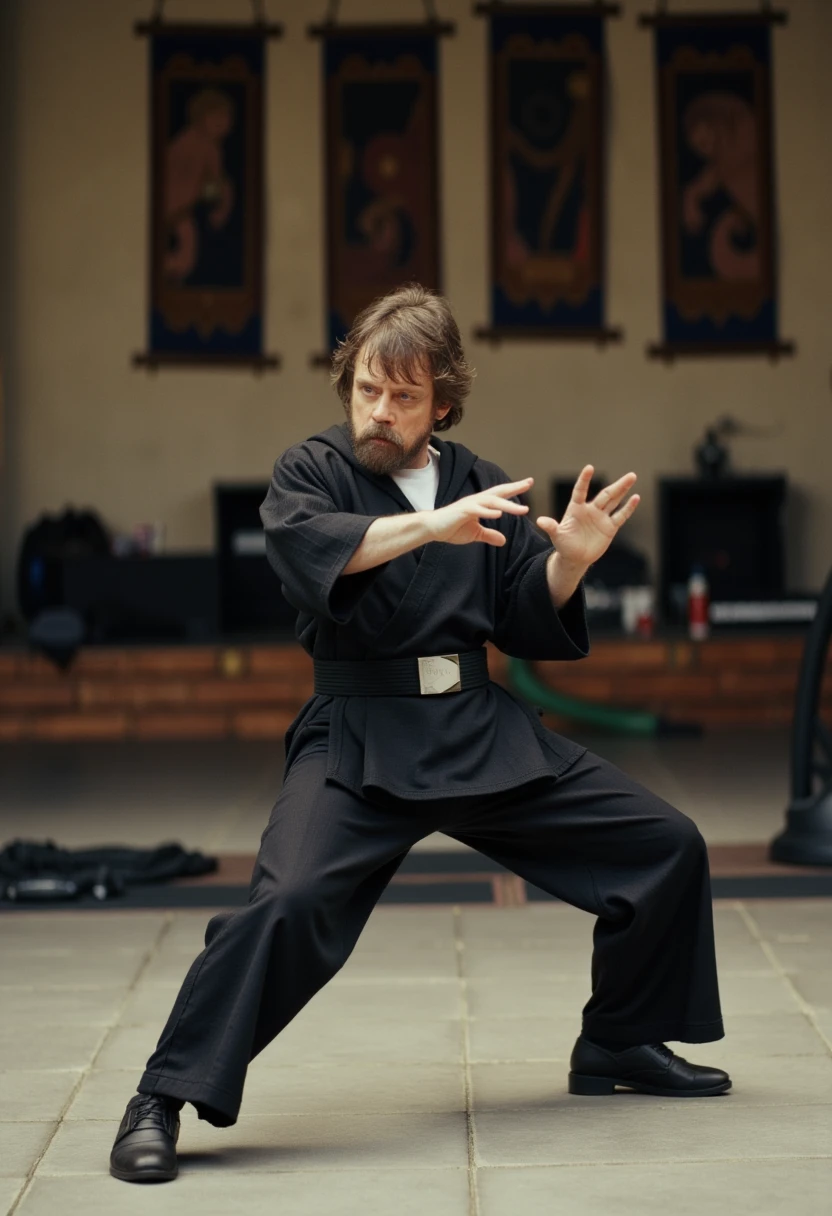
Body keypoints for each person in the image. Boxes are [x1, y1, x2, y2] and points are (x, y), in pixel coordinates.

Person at [110, 284, 730, 1184]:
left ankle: (619, 1042)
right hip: (357, 733)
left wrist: (566, 564)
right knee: (285, 906)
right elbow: (319, 551)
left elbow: (521, 618)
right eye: (368, 388)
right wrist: (425, 527)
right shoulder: (310, 472)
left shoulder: (483, 481)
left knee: (668, 847)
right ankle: (158, 1096)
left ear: (442, 400)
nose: (380, 411)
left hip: (477, 726)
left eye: (404, 396)